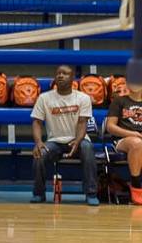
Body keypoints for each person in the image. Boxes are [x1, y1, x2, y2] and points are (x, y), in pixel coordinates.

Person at [31, 64, 98, 205]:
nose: (60, 76)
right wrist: (38, 142)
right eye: (58, 73)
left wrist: (77, 141)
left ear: (72, 78)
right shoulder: (44, 98)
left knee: (88, 148)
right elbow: (37, 122)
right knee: (39, 153)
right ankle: (39, 193)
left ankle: (91, 193)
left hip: (78, 140)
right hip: (55, 142)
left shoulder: (83, 98)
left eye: (65, 73)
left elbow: (82, 123)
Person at [104, 83, 142, 204]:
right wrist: (132, 133)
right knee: (137, 143)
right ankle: (136, 187)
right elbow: (110, 127)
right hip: (123, 140)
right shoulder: (119, 101)